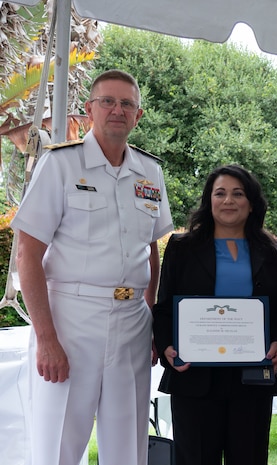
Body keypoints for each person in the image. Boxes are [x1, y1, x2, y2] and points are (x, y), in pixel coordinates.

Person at [12, 69, 173, 465]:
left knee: (129, 442)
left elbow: (150, 249)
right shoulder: (61, 165)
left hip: (132, 319)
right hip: (71, 318)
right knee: (60, 442)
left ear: (138, 115)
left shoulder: (150, 172)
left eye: (127, 104)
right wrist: (47, 339)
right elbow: (27, 254)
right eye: (108, 101)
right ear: (90, 110)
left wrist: (151, 317)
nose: (118, 110)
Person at [152, 164, 277, 465]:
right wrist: (166, 347)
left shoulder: (275, 252)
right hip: (194, 378)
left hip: (253, 378)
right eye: (220, 193)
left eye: (238, 194)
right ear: (209, 201)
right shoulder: (181, 248)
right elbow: (163, 308)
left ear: (252, 203)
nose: (228, 200)